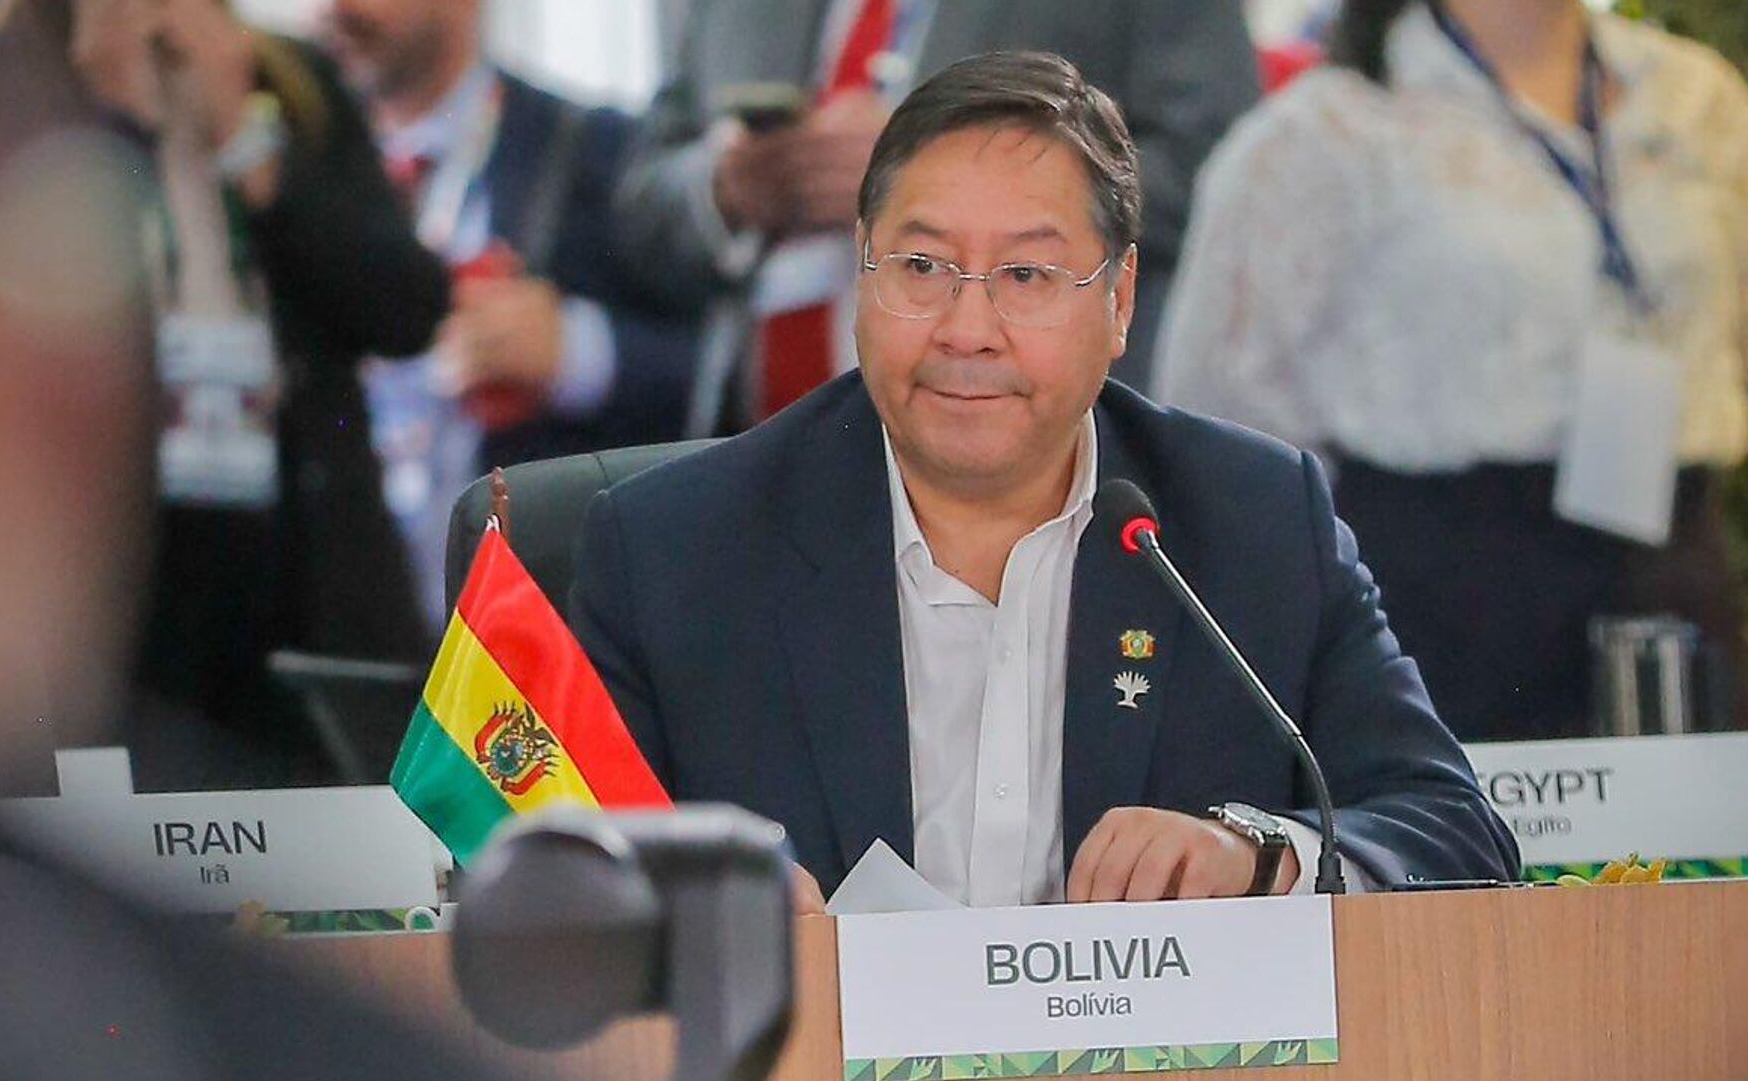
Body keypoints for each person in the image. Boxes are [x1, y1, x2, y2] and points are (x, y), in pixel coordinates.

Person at [572, 52, 1519, 911]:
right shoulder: (674, 553)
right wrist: (690, 909)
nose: (967, 329)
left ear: (1120, 299)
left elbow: (1455, 836)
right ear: (861, 267)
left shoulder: (1253, 525)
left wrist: (1258, 854)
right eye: (921, 266)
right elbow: (559, 887)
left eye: (1027, 275)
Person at [1153, 0, 1748, 741]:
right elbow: (1220, 430)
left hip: (1671, 569)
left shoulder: (1703, 104)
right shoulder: (1323, 134)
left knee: (1696, 818)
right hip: (1445, 602)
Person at [6, 0, 454, 791]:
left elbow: (406, 308)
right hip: (110, 606)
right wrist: (96, 123)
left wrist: (245, 137)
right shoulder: (5, 84)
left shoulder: (285, 78)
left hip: (305, 579)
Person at [614, 0, 1258, 436]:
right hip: (756, 455)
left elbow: (1216, 172)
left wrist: (939, 179)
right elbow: (640, 203)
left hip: (1026, 462)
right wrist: (729, 188)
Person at [324, 0, 701, 631]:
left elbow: (727, 379)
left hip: (528, 634)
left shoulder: (599, 152)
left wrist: (577, 353)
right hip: (350, 618)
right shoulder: (297, 164)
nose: (331, 10)